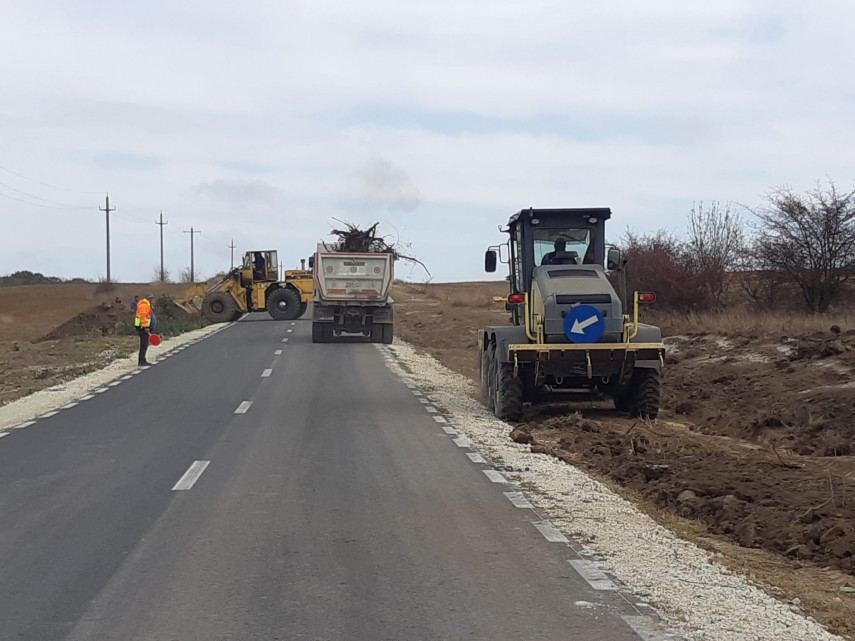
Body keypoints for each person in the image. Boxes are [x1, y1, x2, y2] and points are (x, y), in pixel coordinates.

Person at [134, 293, 154, 366]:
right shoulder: (143, 305)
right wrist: (146, 327)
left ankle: (143, 359)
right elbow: (143, 316)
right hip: (142, 327)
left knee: (145, 344)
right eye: (151, 298)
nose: (152, 299)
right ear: (148, 298)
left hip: (142, 326)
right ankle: (141, 361)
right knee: (144, 344)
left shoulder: (145, 304)